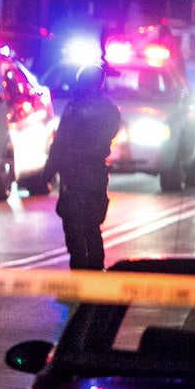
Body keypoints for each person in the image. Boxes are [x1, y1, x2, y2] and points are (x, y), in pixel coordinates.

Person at [50, 65, 124, 270]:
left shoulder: (74, 108)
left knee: (76, 224)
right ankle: (92, 268)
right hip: (91, 172)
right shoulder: (108, 108)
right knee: (90, 225)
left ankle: (83, 269)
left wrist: (51, 169)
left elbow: (61, 141)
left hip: (77, 173)